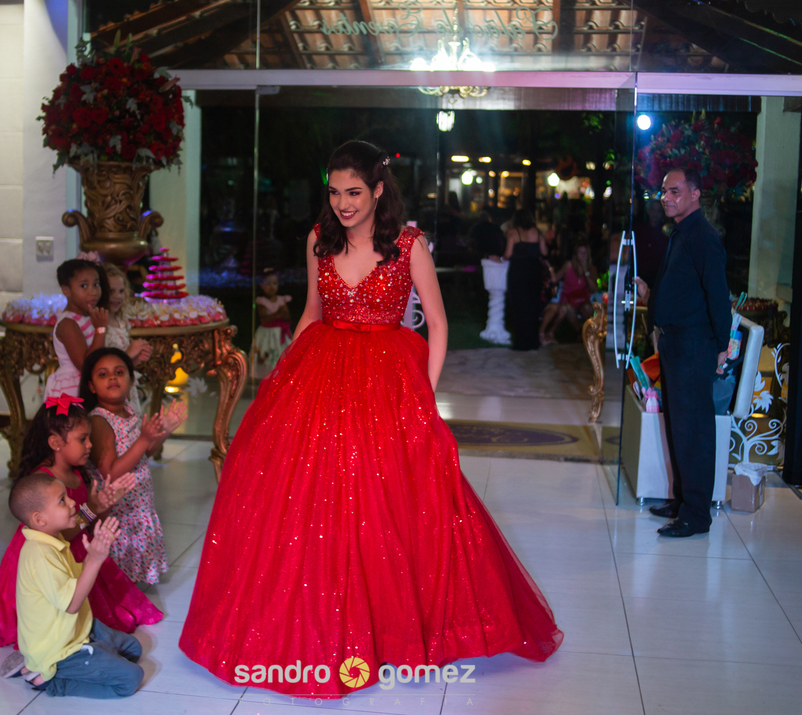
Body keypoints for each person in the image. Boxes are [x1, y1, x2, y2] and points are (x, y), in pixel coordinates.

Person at [179, 141, 563, 698]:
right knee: (313, 496)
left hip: (389, 376)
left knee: (392, 496)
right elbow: (312, 313)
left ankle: (393, 629)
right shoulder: (318, 239)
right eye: (334, 192)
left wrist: (424, 400)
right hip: (322, 373)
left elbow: (437, 322)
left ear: (379, 190)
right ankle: (319, 623)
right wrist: (281, 386)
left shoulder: (409, 245)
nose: (343, 204)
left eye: (354, 192)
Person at [0, 396, 162, 656]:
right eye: (83, 439)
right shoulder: (44, 481)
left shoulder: (76, 473)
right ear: (56, 443)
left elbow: (83, 521)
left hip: (73, 551)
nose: (90, 445)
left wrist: (101, 504)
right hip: (51, 557)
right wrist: (91, 509)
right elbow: (60, 533)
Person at [634, 168, 731, 538]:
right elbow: (682, 291)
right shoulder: (681, 234)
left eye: (674, 191)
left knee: (695, 431)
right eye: (663, 191)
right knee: (678, 427)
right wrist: (651, 298)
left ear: (694, 194)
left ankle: (696, 515)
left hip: (694, 345)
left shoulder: (703, 237)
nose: (666, 197)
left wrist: (721, 346)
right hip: (676, 342)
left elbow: (717, 295)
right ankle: (682, 501)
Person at [7, 474, 144, 698]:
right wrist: (95, 559)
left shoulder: (50, 535)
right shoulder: (39, 553)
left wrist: (97, 507)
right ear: (39, 519)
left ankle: (82, 655)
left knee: (133, 649)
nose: (72, 502)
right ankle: (49, 680)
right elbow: (71, 604)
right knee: (131, 678)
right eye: (63, 500)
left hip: (74, 629)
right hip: (60, 650)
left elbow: (73, 525)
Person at [80, 348, 175, 586]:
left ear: (131, 381)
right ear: (91, 386)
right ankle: (121, 593)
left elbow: (146, 451)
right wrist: (144, 438)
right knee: (118, 571)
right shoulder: (99, 420)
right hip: (119, 509)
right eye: (103, 375)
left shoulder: (129, 412)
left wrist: (164, 431)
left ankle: (130, 590)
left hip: (137, 503)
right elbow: (109, 473)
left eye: (119, 372)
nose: (112, 378)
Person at [47, 258, 109, 398]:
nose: (93, 292)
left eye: (96, 284)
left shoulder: (87, 317)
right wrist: (100, 329)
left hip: (88, 383)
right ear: (66, 290)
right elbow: (85, 365)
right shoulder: (68, 323)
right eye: (84, 286)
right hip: (74, 388)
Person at [100, 264, 152, 412]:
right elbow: (103, 364)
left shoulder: (121, 322)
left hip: (125, 386)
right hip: (110, 390)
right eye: (111, 291)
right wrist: (129, 352)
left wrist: (137, 358)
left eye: (121, 291)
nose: (117, 296)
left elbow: (125, 362)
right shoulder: (99, 325)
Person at [504, 208, 548, 351]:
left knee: (519, 306)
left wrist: (499, 258)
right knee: (533, 305)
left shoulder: (513, 233)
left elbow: (508, 254)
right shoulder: (537, 232)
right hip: (534, 271)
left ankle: (521, 342)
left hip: (518, 271)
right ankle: (533, 341)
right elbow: (544, 252)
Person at [540, 242, 598, 345]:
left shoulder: (592, 268)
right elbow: (555, 278)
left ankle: (587, 332)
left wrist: (586, 272)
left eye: (585, 253)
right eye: (581, 253)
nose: (583, 255)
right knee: (566, 308)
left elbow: (593, 289)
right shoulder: (569, 265)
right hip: (568, 298)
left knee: (588, 308)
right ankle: (579, 331)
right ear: (576, 254)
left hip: (583, 299)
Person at [252, 268, 292, 379]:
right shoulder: (261, 301)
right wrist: (278, 313)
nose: (272, 287)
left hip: (280, 333)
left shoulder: (282, 299)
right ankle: (266, 375)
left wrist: (282, 313)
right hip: (267, 333)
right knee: (266, 353)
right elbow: (264, 318)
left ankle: (281, 374)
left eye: (275, 283)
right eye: (268, 283)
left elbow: (287, 316)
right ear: (262, 285)